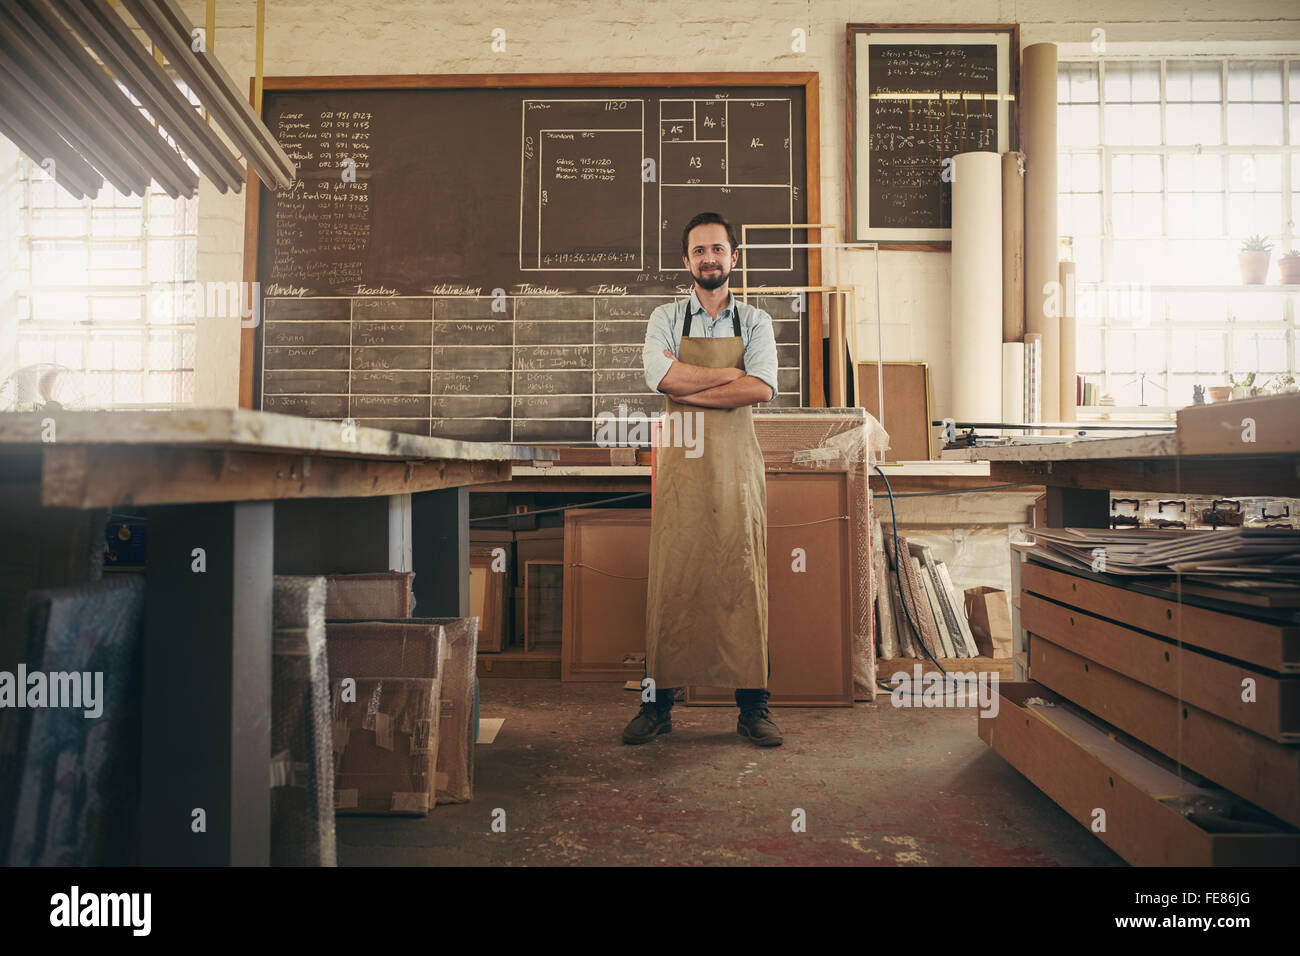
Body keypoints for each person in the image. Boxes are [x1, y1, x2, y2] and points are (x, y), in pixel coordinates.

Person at [624, 212, 782, 747]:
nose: (709, 258)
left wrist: (690, 390)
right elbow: (659, 375)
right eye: (699, 251)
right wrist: (728, 376)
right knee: (673, 578)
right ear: (686, 261)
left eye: (718, 248)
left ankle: (754, 708)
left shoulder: (756, 321)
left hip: (737, 471)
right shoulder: (664, 316)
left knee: (743, 576)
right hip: (679, 469)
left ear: (734, 257)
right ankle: (657, 706)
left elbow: (761, 389)